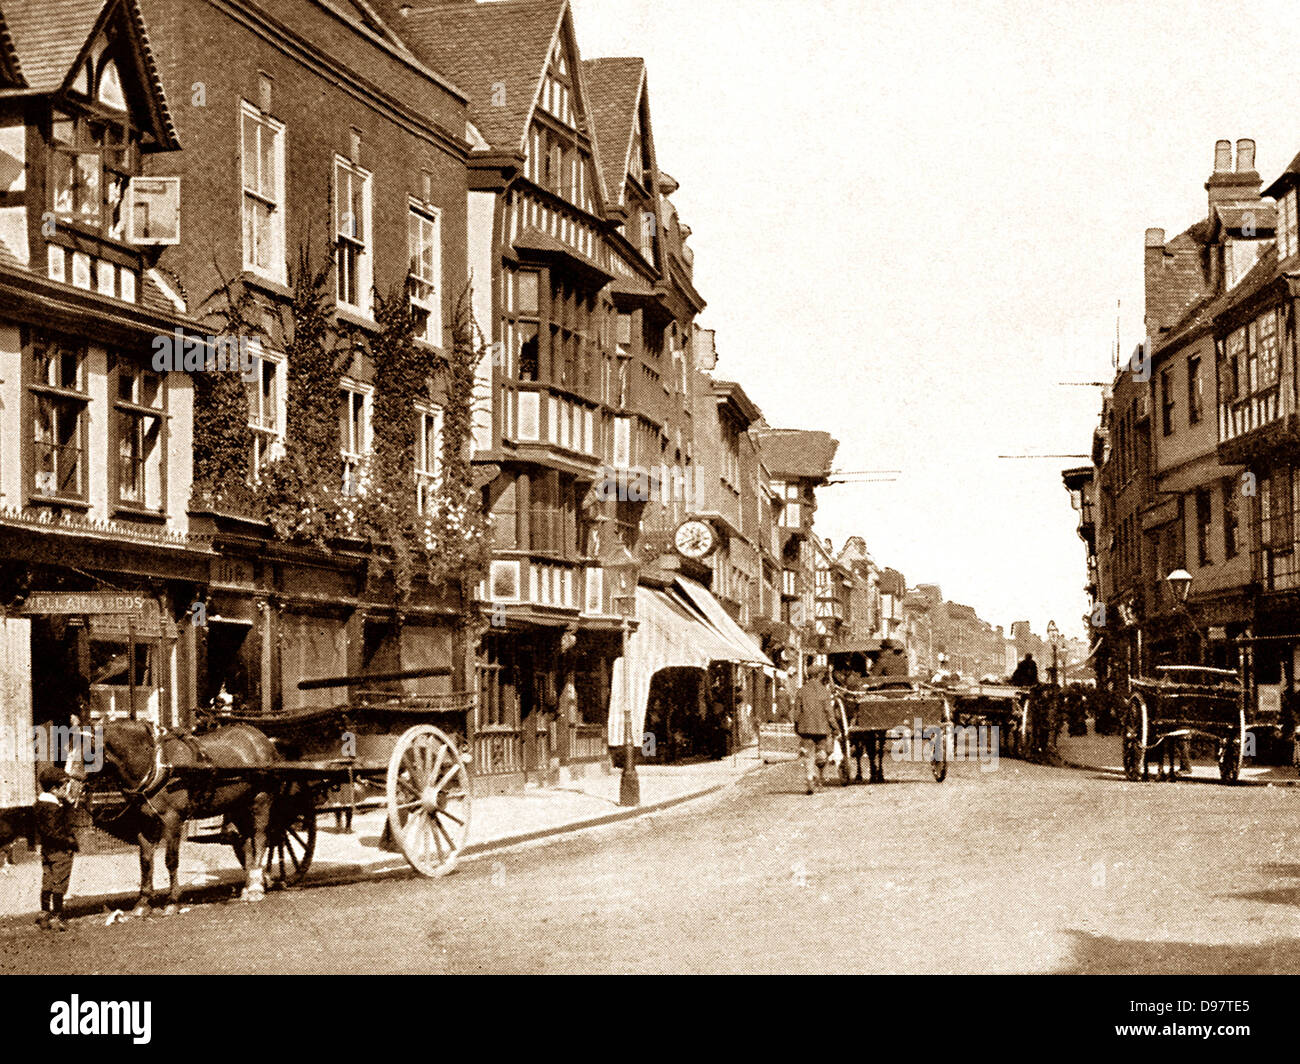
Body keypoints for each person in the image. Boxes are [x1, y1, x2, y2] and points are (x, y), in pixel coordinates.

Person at [33, 764, 78, 932]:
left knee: (47, 881)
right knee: (60, 884)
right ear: (54, 788)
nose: (66, 789)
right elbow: (56, 831)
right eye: (64, 786)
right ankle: (57, 916)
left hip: (46, 851)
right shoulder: (54, 808)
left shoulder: (39, 804)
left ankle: (44, 913)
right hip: (60, 851)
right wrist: (70, 842)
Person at [793, 666, 840, 794]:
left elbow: (796, 713)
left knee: (808, 754)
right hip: (821, 729)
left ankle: (809, 778)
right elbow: (829, 713)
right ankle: (820, 779)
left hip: (805, 728)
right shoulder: (824, 691)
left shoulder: (801, 691)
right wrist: (835, 728)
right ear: (819, 675)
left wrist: (796, 726)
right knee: (821, 753)